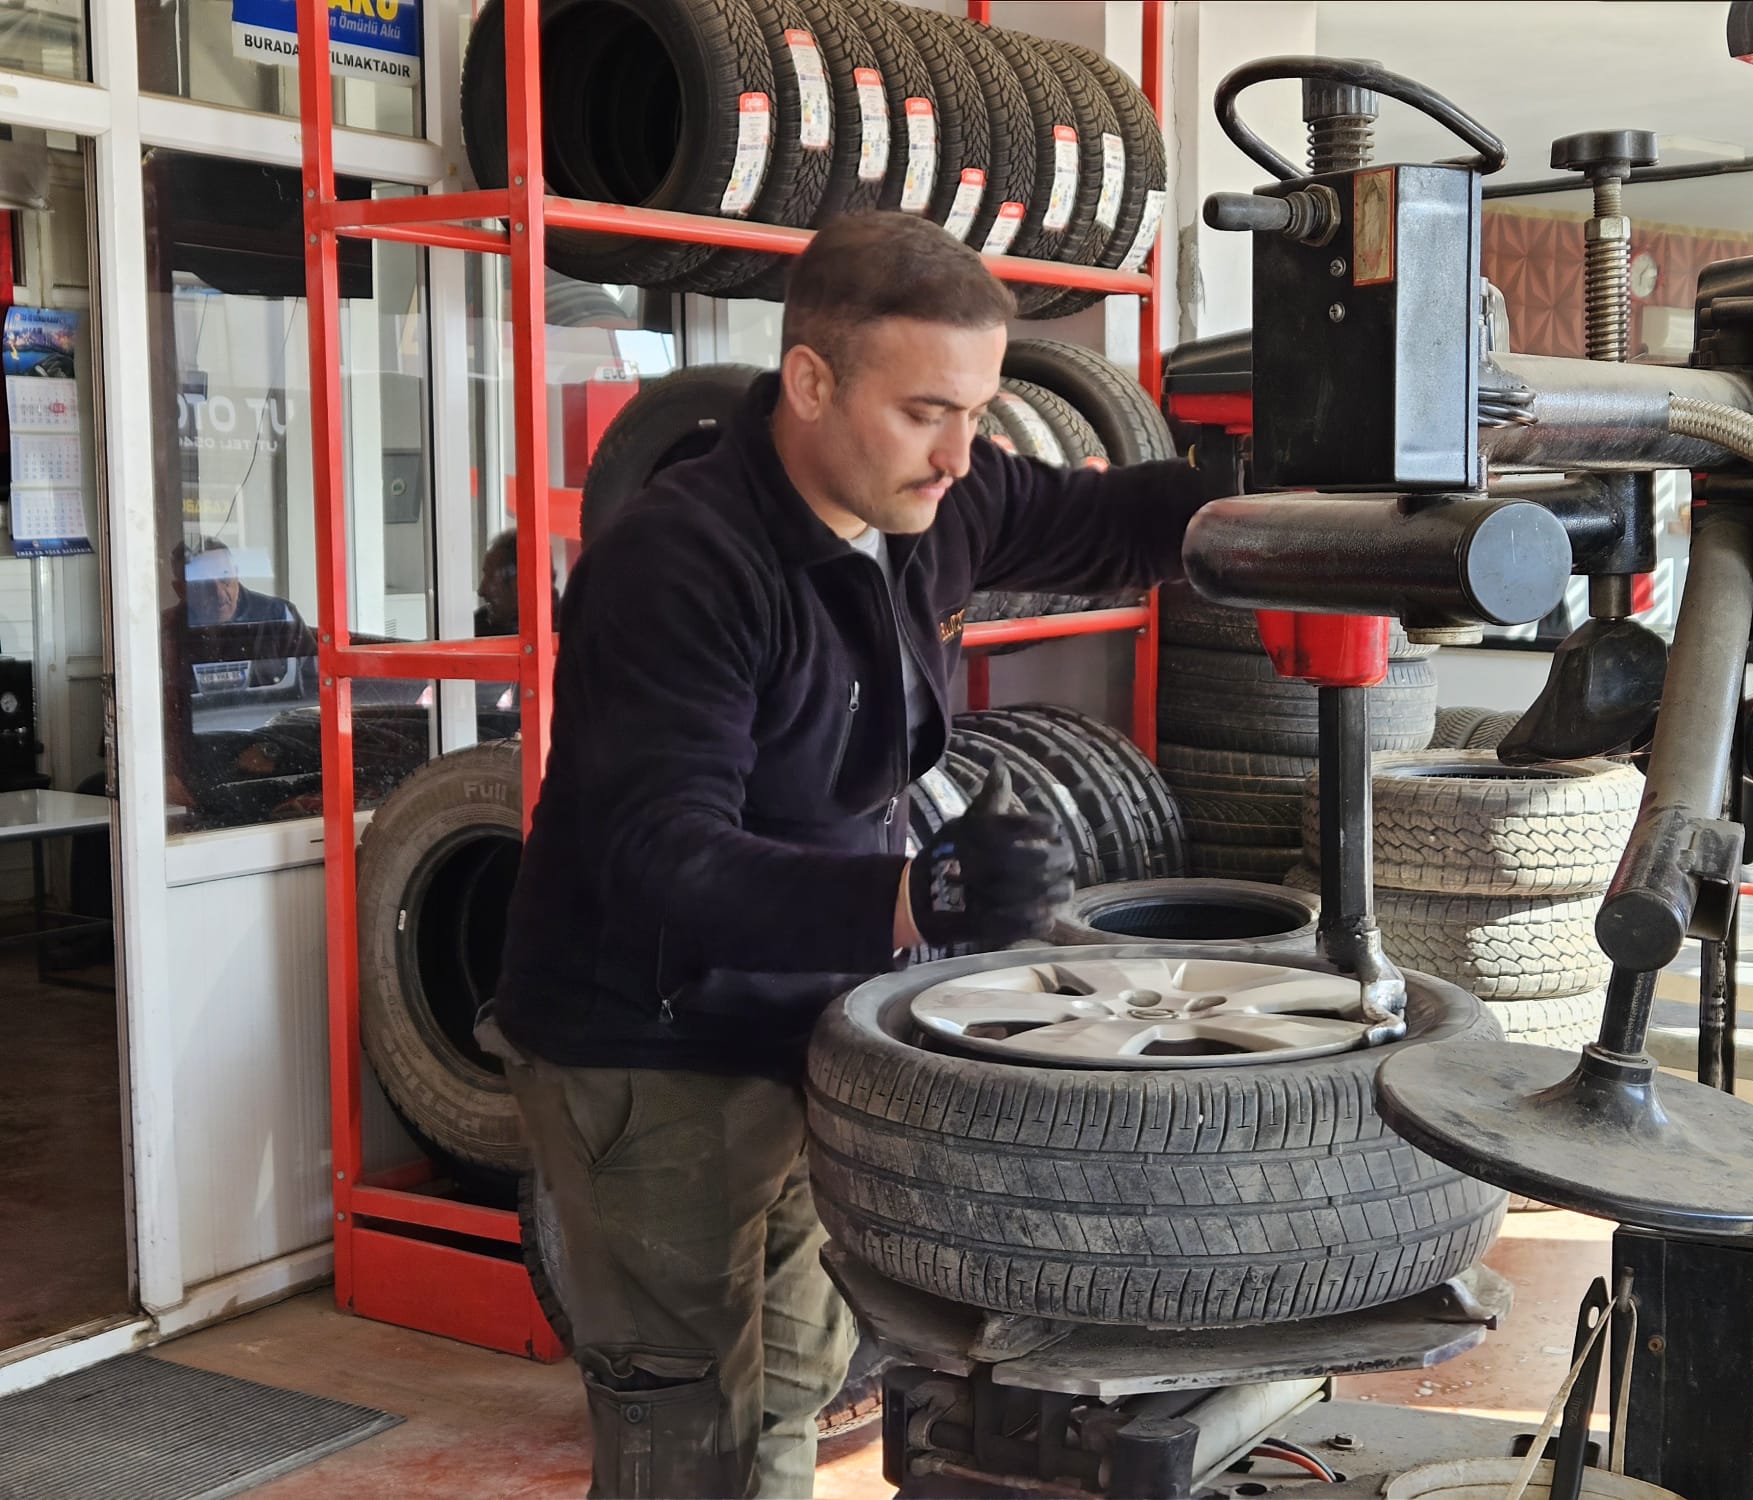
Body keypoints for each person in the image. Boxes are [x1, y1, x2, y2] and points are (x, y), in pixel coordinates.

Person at [484, 211, 1216, 1500]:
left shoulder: (938, 499)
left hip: (808, 1022)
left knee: (792, 1394)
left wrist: (1286, 490)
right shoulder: (680, 561)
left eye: (978, 410)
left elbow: (1110, 525)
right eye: (927, 410)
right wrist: (914, 892)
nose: (959, 452)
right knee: (685, 1440)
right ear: (811, 383)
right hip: (646, 1054)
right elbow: (661, 858)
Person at [158, 536, 314, 811]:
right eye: (204, 585)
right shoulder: (166, 630)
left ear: (238, 575)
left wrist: (273, 749)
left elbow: (314, 696)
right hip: (193, 758)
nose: (220, 594)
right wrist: (164, 772)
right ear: (180, 589)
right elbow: (147, 709)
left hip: (271, 750)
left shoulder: (278, 616)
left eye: (226, 579)